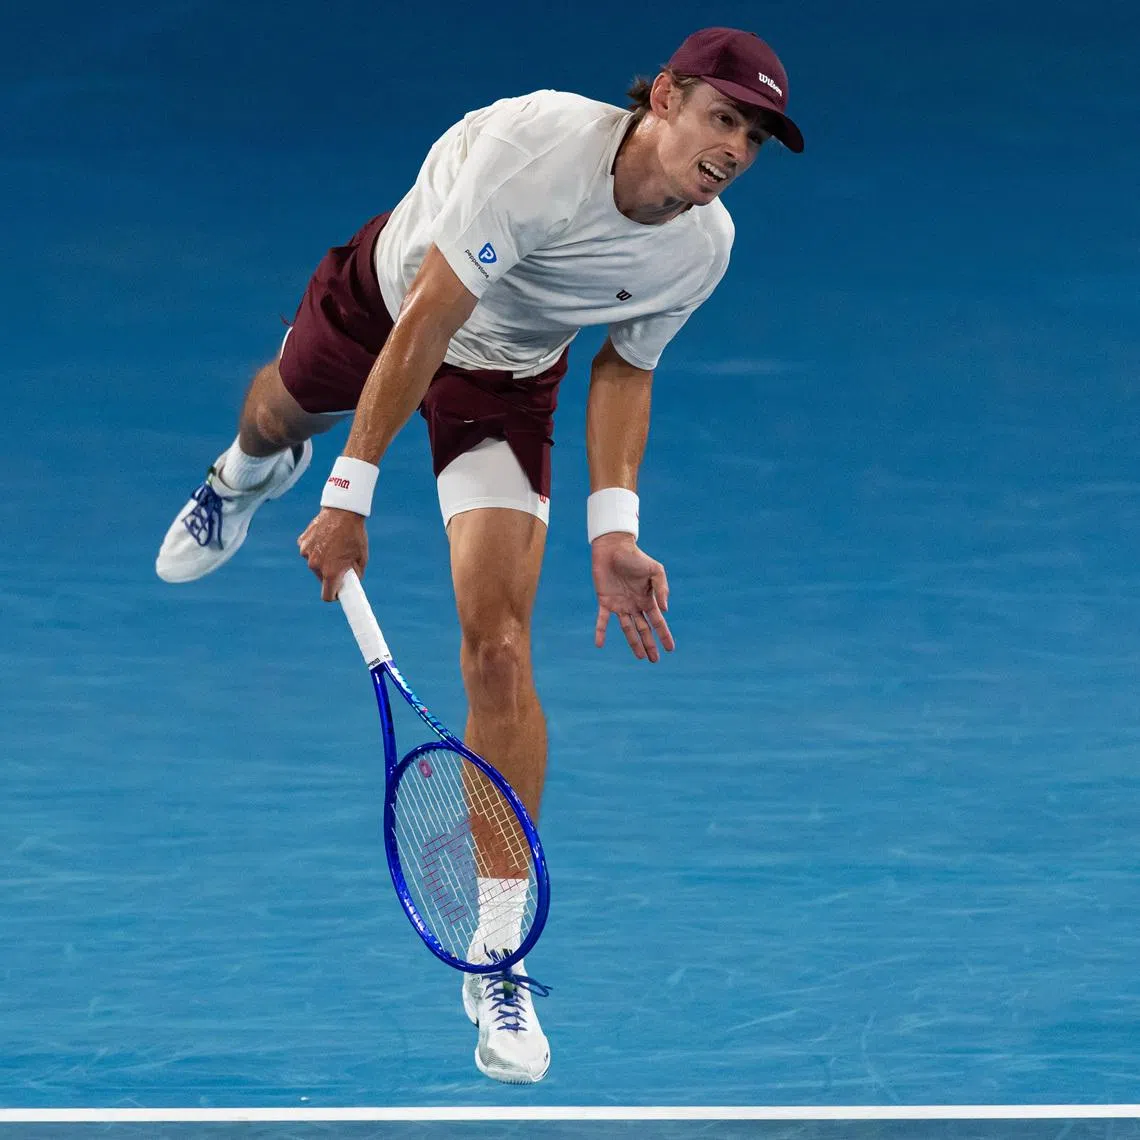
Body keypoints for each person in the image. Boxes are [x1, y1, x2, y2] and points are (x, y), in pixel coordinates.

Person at [155, 25, 803, 1084]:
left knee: (499, 651)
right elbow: (430, 317)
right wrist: (348, 492)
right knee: (278, 415)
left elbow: (627, 368)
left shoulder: (703, 246)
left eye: (757, 136)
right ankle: (242, 475)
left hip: (505, 382)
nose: (736, 149)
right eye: (724, 117)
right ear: (668, 98)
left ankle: (497, 953)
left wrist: (615, 531)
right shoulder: (537, 151)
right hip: (393, 306)